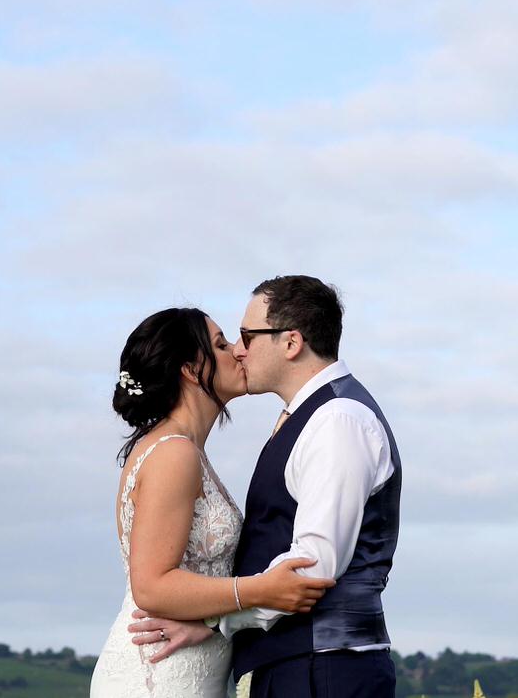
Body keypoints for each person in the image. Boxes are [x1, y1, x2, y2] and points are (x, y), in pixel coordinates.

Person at [131, 277, 403, 698]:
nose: (239, 351)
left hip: (327, 668)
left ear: (291, 342)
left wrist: (214, 621)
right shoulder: (310, 418)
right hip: (300, 665)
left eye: (245, 336)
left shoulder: (338, 421)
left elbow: (311, 570)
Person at [90, 307, 336, 698]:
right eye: (221, 344)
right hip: (160, 674)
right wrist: (260, 590)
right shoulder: (174, 454)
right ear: (190, 370)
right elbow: (151, 587)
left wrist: (214, 622)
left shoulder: (187, 451)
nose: (239, 352)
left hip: (192, 663)